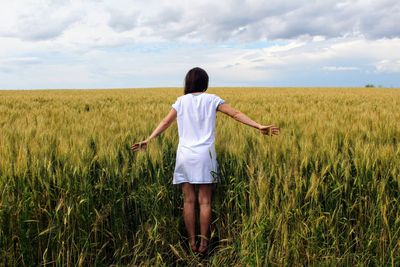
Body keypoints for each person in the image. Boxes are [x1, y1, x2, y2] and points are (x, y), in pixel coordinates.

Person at [131, 67, 279, 254]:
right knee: (205, 202)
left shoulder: (181, 102)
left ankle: (191, 243)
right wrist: (258, 125)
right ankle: (204, 244)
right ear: (205, 83)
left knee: (188, 201)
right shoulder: (212, 99)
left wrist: (149, 139)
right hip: (205, 156)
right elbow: (235, 113)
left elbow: (165, 122)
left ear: (188, 82)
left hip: (184, 155)